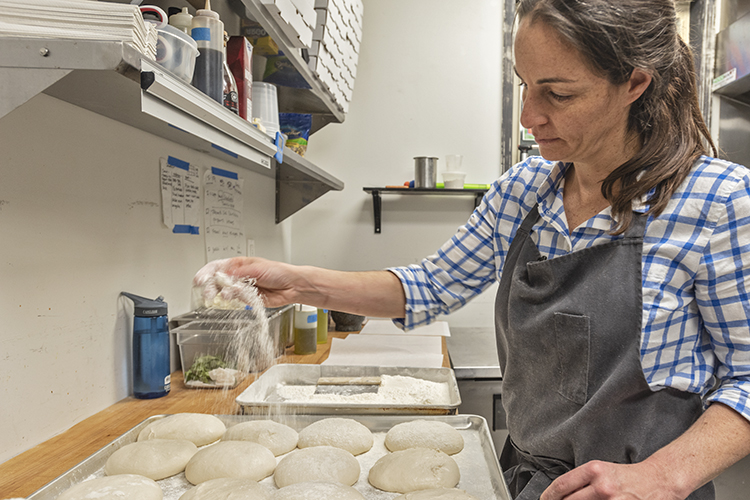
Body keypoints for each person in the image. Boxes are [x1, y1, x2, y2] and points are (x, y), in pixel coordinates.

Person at [193, 0, 750, 498]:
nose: (531, 116)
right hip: (529, 480)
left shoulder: (717, 201)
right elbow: (432, 285)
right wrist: (300, 283)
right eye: (524, 85)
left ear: (635, 83)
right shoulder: (527, 187)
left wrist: (662, 477)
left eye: (557, 93)